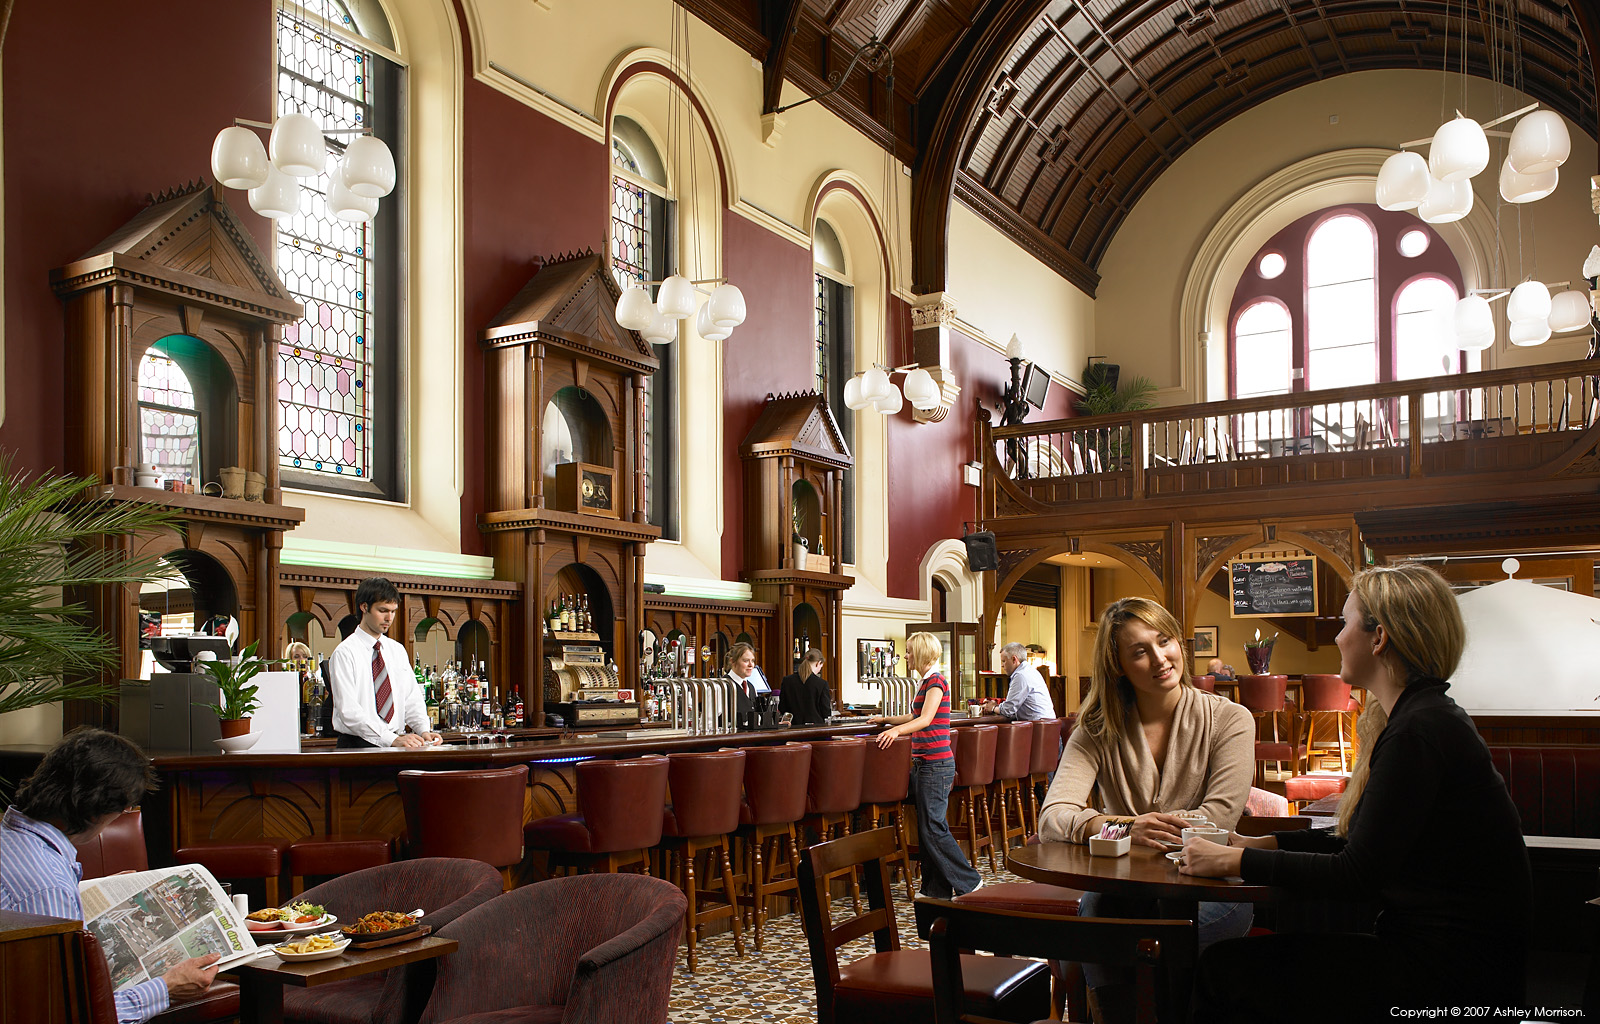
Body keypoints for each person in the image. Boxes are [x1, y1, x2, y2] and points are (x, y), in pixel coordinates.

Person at [1181, 564, 1531, 1019]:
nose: (1337, 637)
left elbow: (1356, 873)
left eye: (1345, 623)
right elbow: (1361, 842)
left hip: (1450, 975)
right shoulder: (1423, 716)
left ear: (1379, 638)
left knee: (1222, 970)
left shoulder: (1418, 731)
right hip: (1453, 957)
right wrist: (1259, 842)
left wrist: (1234, 861)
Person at [1036, 597, 1255, 1020]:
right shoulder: (1095, 728)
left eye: (1165, 641)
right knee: (1098, 911)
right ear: (1117, 665)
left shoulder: (1231, 719)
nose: (1160, 658)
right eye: (1139, 651)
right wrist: (1126, 826)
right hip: (1125, 892)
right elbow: (1053, 818)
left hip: (1213, 890)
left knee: (1145, 940)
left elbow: (1219, 817)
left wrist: (1106, 827)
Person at [1, 728, 222, 1023]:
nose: (127, 810)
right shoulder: (48, 887)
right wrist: (166, 988)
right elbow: (72, 1011)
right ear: (94, 809)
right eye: (123, 806)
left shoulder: (12, 840)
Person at [871, 631, 981, 898]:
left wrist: (896, 732)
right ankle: (935, 889)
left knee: (933, 827)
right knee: (926, 829)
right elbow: (914, 715)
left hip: (936, 763)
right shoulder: (925, 682)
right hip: (924, 763)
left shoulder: (936, 681)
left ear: (920, 653)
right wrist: (885, 719)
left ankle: (970, 882)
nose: (906, 656)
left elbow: (926, 719)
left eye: (909, 651)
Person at [329, 577, 440, 749]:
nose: (389, 618)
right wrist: (390, 739)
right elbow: (348, 711)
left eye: (393, 611)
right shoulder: (345, 653)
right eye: (383, 610)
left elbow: (411, 698)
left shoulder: (397, 650)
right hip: (357, 746)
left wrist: (424, 730)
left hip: (394, 743)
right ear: (364, 607)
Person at [980, 641, 1056, 720]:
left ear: (1014, 659)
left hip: (1038, 725)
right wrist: (997, 706)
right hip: (1046, 723)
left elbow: (1008, 710)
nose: (1002, 665)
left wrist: (992, 708)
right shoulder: (1030, 670)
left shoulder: (1021, 675)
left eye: (1004, 661)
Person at [779, 648, 833, 726]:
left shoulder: (787, 681)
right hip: (816, 729)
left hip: (793, 728)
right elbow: (826, 712)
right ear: (818, 663)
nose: (819, 670)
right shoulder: (822, 684)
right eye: (821, 667)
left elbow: (782, 708)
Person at [726, 642, 762, 728]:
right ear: (732, 661)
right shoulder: (720, 687)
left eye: (752, 661)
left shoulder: (752, 688)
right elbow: (708, 724)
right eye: (746, 661)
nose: (751, 665)